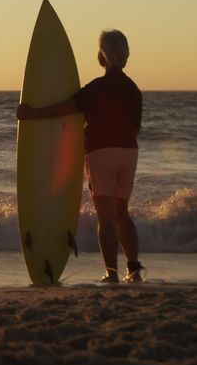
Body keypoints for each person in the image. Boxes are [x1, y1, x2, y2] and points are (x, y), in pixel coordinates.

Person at [16, 29, 143, 283]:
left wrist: (33, 114)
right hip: (129, 152)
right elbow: (134, 129)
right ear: (126, 56)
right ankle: (134, 269)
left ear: (101, 57)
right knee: (122, 212)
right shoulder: (133, 90)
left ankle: (112, 273)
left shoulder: (96, 88)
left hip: (100, 152)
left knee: (106, 217)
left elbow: (66, 108)